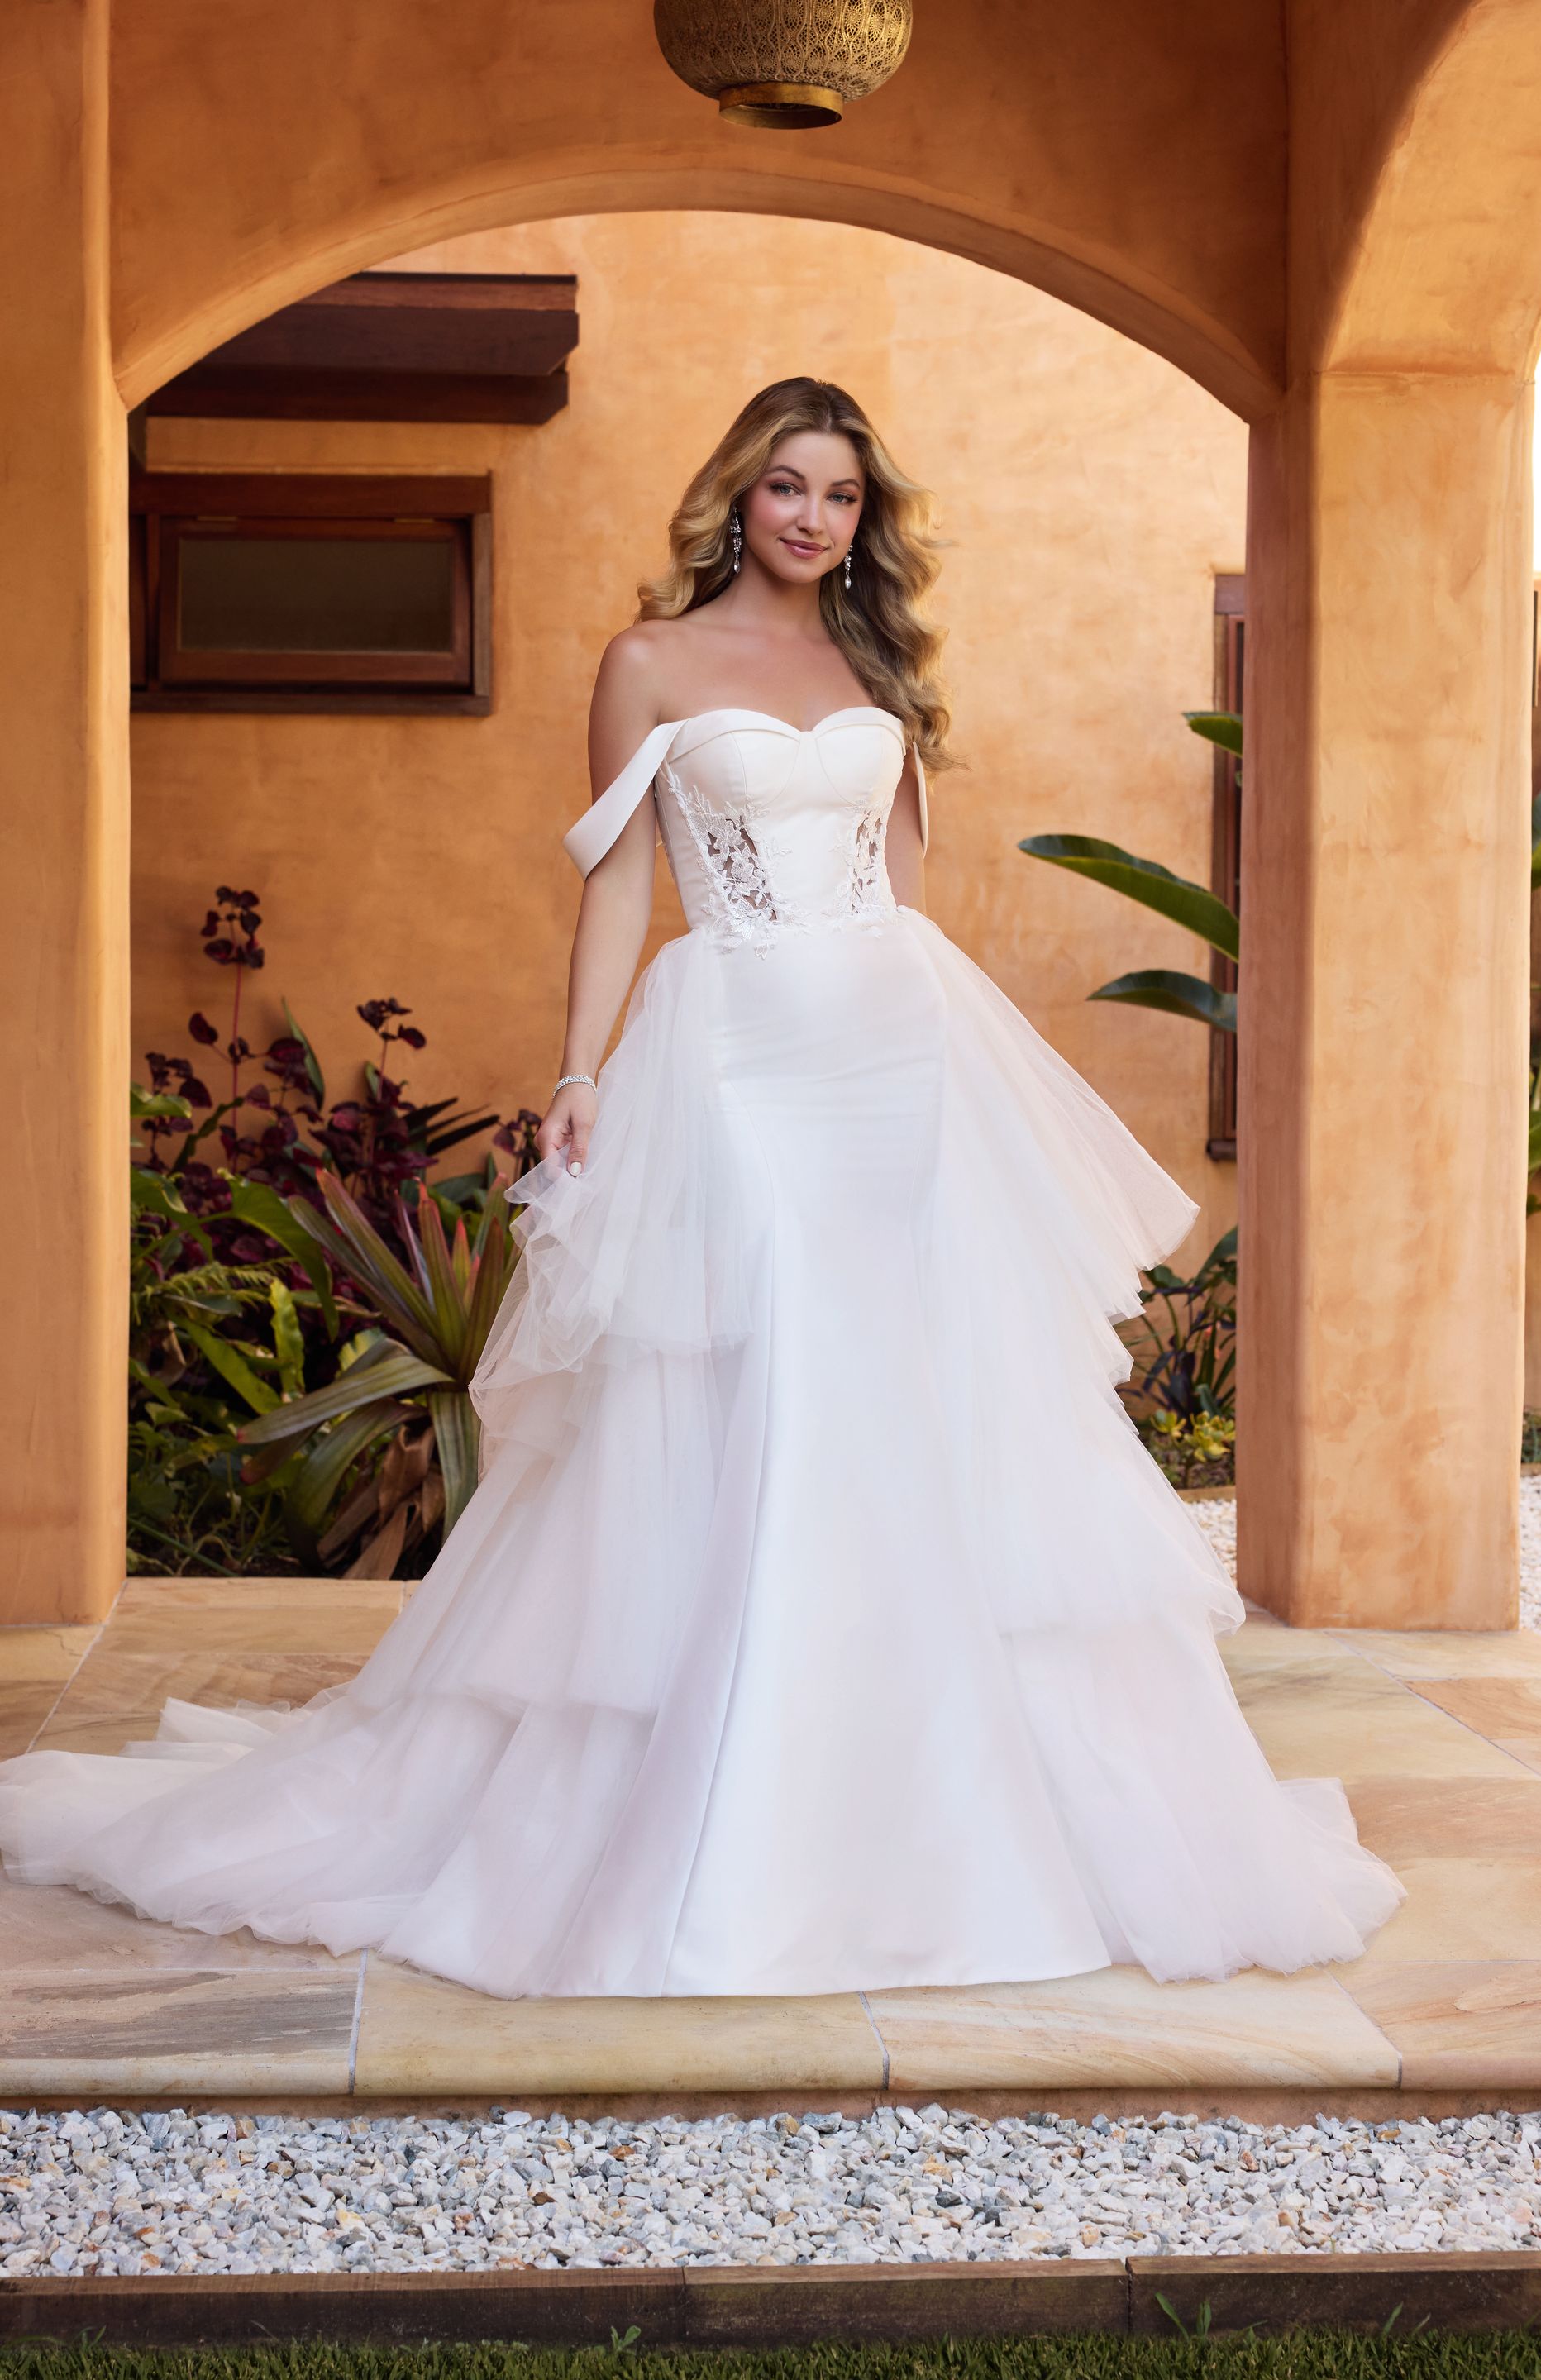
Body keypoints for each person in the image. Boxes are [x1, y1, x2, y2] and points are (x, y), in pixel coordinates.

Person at [0, 378, 1402, 1998]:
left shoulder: (874, 668)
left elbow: (909, 897)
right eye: (788, 486)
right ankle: (736, 1802)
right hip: (732, 1049)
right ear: (737, 496)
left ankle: (928, 1788)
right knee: (775, 1372)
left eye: (844, 497)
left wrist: (944, 1078)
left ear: (864, 521)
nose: (814, 517)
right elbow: (615, 883)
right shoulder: (649, 663)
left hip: (894, 1053)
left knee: (906, 1391)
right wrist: (581, 1068)